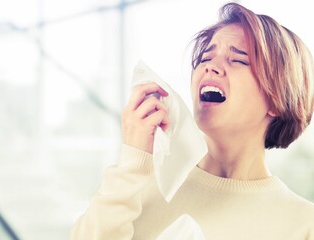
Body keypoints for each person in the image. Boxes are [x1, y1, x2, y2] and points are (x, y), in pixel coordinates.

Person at [71, 2, 314, 239]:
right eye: (205, 58)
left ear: (277, 98)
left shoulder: (303, 223)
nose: (210, 67)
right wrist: (132, 160)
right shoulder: (140, 184)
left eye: (238, 60)